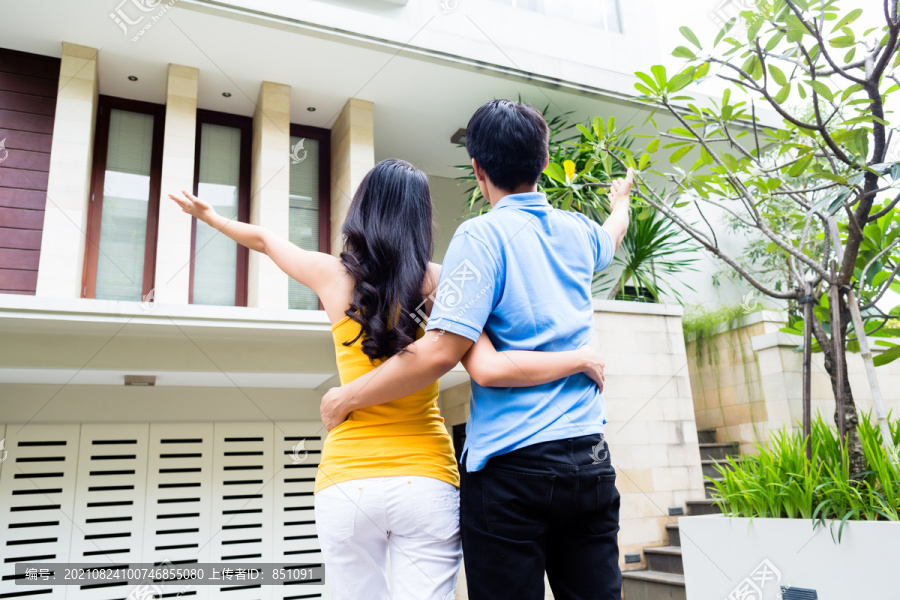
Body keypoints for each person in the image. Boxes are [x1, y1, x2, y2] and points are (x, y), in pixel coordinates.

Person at [168, 157, 608, 600]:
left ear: (362, 208)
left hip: (346, 481)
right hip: (426, 480)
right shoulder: (440, 283)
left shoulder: (330, 275)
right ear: (421, 219)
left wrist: (212, 217)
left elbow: (264, 241)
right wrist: (577, 358)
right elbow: (492, 364)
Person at [320, 101, 633, 600]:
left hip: (512, 473)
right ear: (545, 162)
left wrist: (346, 397)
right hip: (588, 462)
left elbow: (447, 354)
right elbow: (611, 237)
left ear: (477, 170)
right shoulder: (578, 233)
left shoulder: (479, 237)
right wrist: (622, 201)